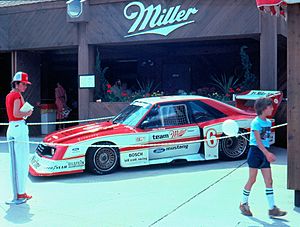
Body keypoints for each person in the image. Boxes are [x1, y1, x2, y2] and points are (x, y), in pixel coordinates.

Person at [239, 97, 287, 217]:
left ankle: (272, 208)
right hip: (255, 152)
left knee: (269, 181)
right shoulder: (256, 122)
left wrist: (267, 153)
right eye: (270, 106)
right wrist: (267, 153)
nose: (272, 108)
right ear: (264, 108)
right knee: (252, 179)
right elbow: (258, 142)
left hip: (264, 152)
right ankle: (243, 203)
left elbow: (265, 140)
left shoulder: (268, 122)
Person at [5, 71, 33, 205]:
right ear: (16, 84)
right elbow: (17, 113)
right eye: (23, 84)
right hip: (18, 127)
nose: (25, 86)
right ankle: (20, 192)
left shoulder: (10, 95)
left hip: (13, 127)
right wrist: (28, 112)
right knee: (21, 162)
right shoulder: (16, 95)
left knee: (17, 162)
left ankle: (20, 191)